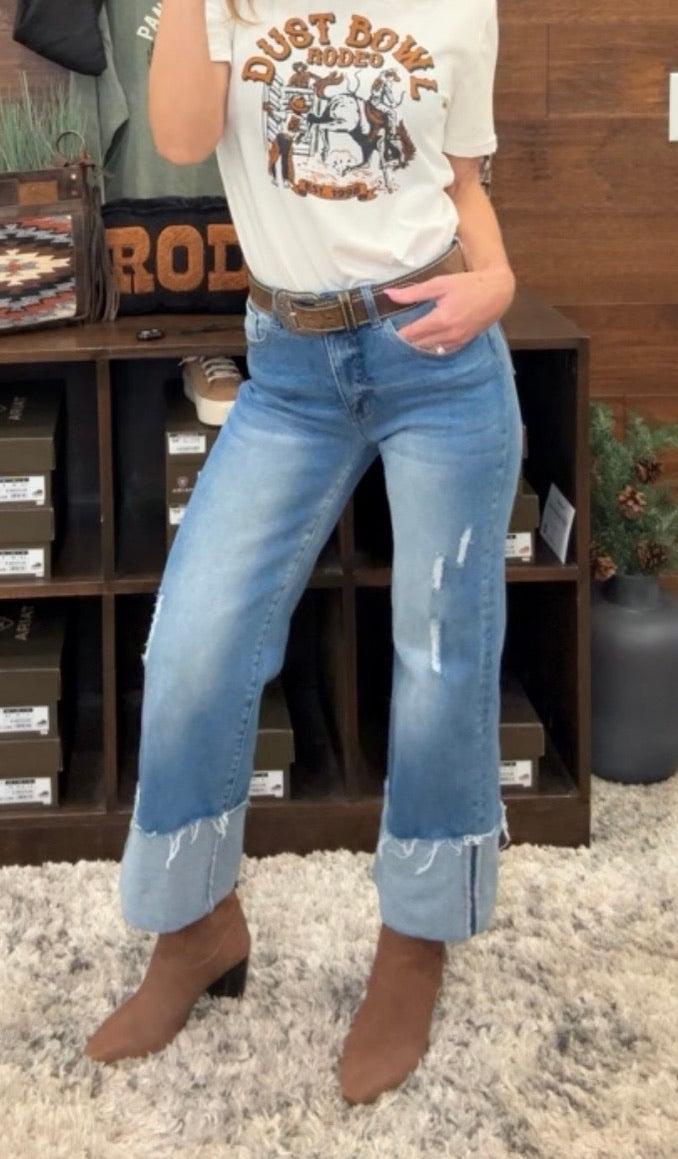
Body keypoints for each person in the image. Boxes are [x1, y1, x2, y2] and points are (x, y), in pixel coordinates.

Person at [83, 0, 523, 1106]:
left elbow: (464, 185)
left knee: (440, 660)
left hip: (441, 355)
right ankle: (196, 928)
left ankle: (413, 945)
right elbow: (184, 138)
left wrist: (502, 277)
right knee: (191, 648)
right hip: (290, 371)